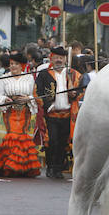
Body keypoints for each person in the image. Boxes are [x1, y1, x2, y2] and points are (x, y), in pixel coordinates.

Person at [35, 46, 81, 179]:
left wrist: (74, 94)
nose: (59, 60)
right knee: (52, 141)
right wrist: (48, 106)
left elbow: (80, 91)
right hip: (51, 114)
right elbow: (37, 92)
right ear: (51, 58)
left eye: (61, 58)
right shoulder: (44, 74)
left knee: (63, 142)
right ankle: (50, 167)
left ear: (65, 59)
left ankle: (58, 168)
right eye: (56, 57)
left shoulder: (73, 74)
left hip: (67, 114)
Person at [0, 52, 41, 177]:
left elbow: (34, 94)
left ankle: (23, 167)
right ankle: (10, 166)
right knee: (12, 135)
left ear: (21, 66)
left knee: (22, 135)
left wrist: (28, 98)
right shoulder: (4, 78)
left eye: (16, 64)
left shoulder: (29, 78)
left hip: (24, 111)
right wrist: (5, 99)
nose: (13, 66)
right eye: (11, 64)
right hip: (10, 111)